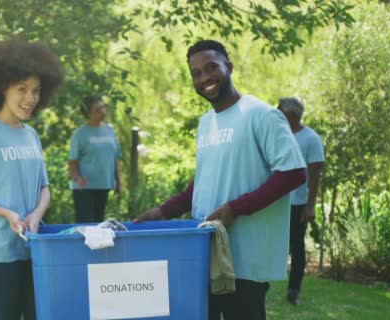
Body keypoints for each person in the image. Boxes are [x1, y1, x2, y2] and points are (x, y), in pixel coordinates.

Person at [134, 40, 306, 320]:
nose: (204, 78)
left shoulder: (261, 115)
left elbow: (293, 173)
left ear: (229, 66)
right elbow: (202, 182)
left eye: (211, 67)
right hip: (206, 252)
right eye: (196, 73)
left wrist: (234, 208)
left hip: (245, 260)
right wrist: (164, 211)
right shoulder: (205, 123)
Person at [0, 39, 63, 320]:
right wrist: (6, 213)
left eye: (36, 91)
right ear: (2, 86)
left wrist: (36, 214)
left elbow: (44, 188)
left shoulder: (31, 135)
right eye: (22, 90)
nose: (30, 99)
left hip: (33, 248)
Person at [278, 97, 325, 306]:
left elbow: (315, 175)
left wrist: (309, 205)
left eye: (280, 111)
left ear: (292, 116)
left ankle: (293, 291)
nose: (276, 113)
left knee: (296, 248)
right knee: (271, 243)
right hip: (275, 201)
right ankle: (262, 285)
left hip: (297, 203)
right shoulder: (278, 135)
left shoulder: (311, 139)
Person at [68, 95, 122, 223]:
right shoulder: (80, 134)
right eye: (97, 109)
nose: (102, 112)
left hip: (103, 185)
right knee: (86, 226)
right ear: (88, 114)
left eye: (103, 107)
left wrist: (118, 182)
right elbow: (72, 162)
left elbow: (115, 158)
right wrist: (77, 178)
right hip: (84, 188)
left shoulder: (110, 131)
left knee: (99, 224)